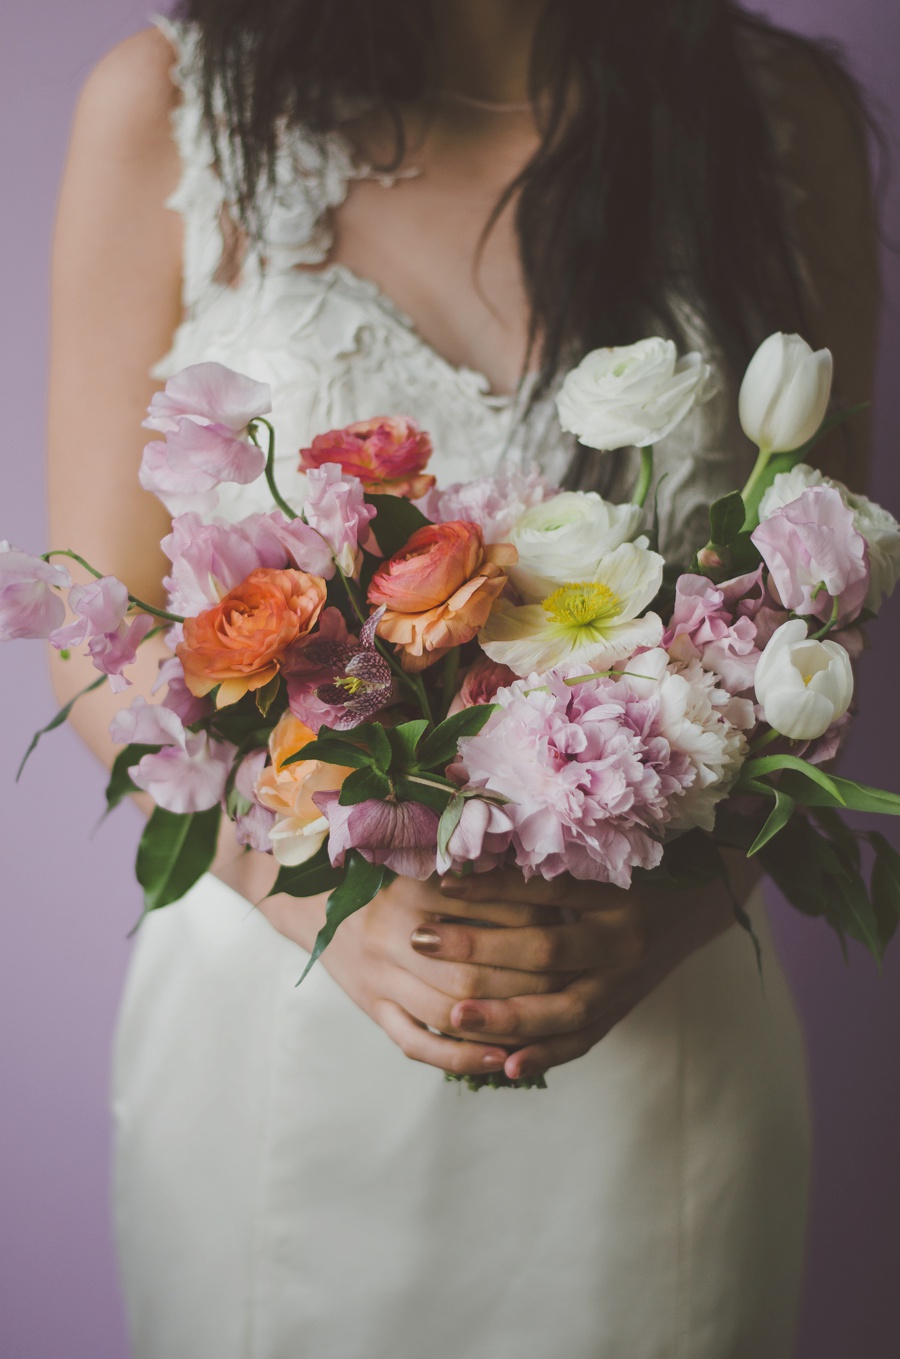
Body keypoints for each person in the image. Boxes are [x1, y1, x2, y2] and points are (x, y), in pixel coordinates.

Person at [47, 2, 878, 1355]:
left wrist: (668, 920)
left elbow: (830, 601)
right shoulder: (166, 106)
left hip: (663, 1019)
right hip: (287, 1008)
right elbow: (105, 634)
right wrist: (325, 899)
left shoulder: (781, 122)